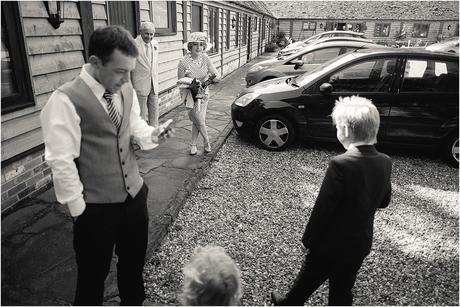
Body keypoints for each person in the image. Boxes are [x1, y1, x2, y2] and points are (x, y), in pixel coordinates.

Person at [40, 25, 174, 306]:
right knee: (92, 277)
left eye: (130, 70)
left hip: (135, 197)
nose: (128, 78)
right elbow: (60, 160)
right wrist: (79, 210)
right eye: (120, 71)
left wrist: (152, 134)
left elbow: (133, 125)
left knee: (133, 269)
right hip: (96, 210)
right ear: (94, 63)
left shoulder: (124, 88)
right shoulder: (64, 100)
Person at [271, 96, 392, 306]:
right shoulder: (385, 161)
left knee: (307, 281)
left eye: (337, 127)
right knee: (343, 288)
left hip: (329, 245)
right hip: (359, 244)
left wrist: (308, 241)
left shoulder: (341, 164)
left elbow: (324, 208)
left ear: (344, 130)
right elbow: (383, 201)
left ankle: (288, 303)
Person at [177, 32, 219, 155]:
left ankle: (193, 145)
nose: (199, 47)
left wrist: (215, 78)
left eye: (201, 45)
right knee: (199, 120)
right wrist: (188, 84)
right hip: (190, 96)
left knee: (199, 120)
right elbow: (179, 83)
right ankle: (207, 142)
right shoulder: (183, 62)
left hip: (204, 94)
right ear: (190, 46)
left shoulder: (206, 58)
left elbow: (215, 74)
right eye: (195, 44)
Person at [131, 21, 160, 127]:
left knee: (154, 111)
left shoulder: (155, 44)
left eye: (151, 34)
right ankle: (141, 137)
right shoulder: (133, 44)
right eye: (146, 34)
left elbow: (154, 64)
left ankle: (153, 133)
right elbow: (129, 66)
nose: (149, 36)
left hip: (153, 83)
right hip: (140, 83)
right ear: (141, 32)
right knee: (141, 113)